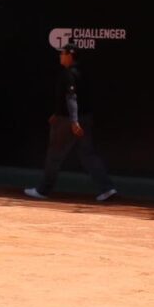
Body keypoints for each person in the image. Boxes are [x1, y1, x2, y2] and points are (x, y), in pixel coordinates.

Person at [25, 43, 117, 202]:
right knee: (88, 155)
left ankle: (42, 191)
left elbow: (72, 97)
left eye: (62, 54)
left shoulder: (68, 74)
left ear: (70, 55)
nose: (60, 56)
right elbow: (76, 97)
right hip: (84, 118)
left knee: (54, 156)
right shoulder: (83, 73)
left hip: (68, 122)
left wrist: (73, 121)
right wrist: (57, 112)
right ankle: (107, 189)